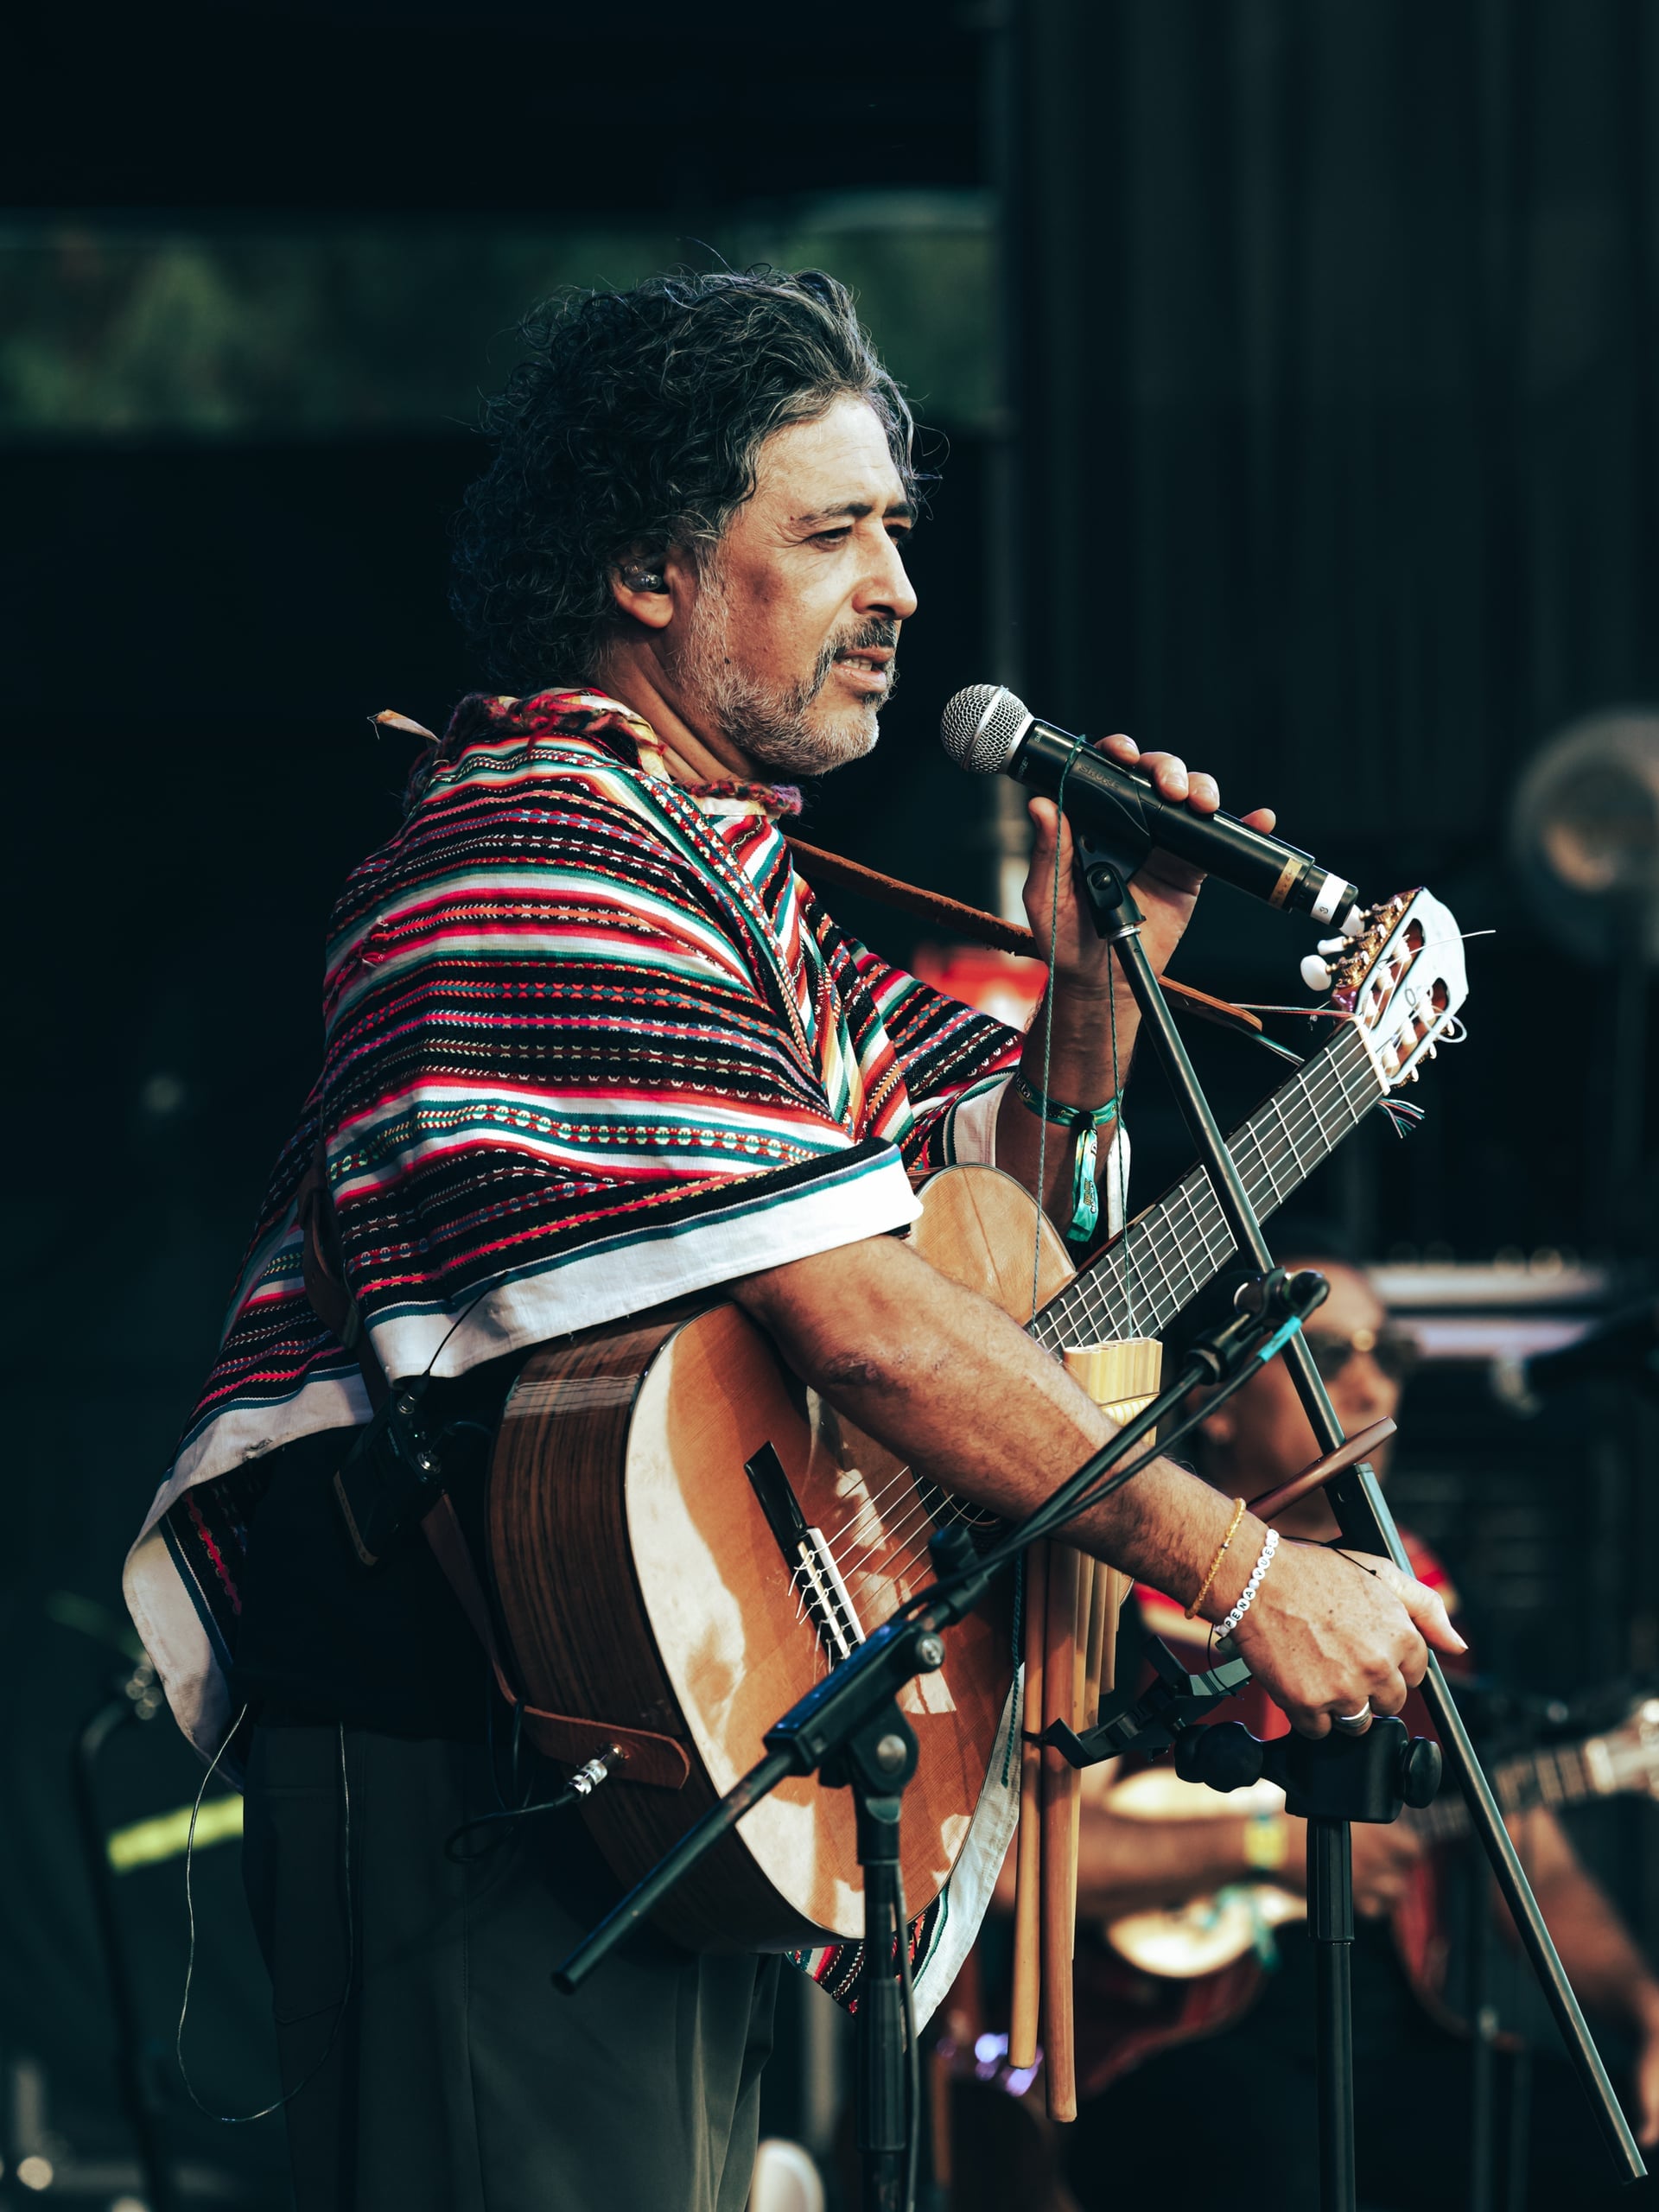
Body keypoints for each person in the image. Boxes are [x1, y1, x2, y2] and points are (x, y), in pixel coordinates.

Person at [122, 270, 1459, 2212]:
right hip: (483, 1746)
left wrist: (1097, 997)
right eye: (833, 533)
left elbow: (998, 1266)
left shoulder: (733, 879)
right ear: (649, 569)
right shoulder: (539, 857)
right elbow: (874, 1328)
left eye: (897, 530)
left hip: (663, 1732)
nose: (899, 586)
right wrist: (1245, 1568)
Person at [1062, 1251, 1659, 2211]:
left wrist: (1647, 2006)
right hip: (1163, 2045)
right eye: (1328, 1353)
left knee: (1607, 2158)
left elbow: (1530, 1862)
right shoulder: (1106, 1600)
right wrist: (1266, 1846)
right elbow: (1030, 1871)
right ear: (1215, 1402)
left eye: (1394, 1357)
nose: (1374, 1387)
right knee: (1263, 2159)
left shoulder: (1422, 1602)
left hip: (1396, 2046)